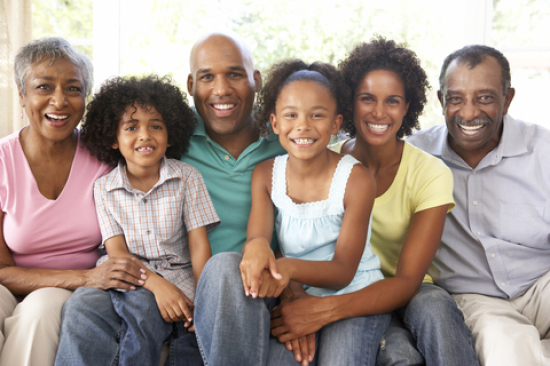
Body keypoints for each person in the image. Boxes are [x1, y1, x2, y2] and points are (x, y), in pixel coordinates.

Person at [269, 38, 479, 366]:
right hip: (335, 286)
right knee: (399, 356)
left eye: (392, 101)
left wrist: (320, 312)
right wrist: (296, 295)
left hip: (405, 292)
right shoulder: (317, 157)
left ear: (407, 106)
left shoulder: (430, 173)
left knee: (436, 307)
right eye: (367, 98)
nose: (379, 112)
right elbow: (286, 230)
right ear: (348, 104)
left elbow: (408, 281)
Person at [195, 60, 391, 366]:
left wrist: (286, 269)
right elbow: (258, 236)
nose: (303, 126)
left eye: (317, 115)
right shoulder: (266, 174)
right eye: (291, 115)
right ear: (274, 124)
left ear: (336, 124)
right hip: (295, 289)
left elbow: (343, 270)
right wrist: (257, 245)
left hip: (353, 293)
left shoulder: (357, 180)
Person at [55, 75, 219, 366]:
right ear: (113, 139)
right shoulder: (103, 188)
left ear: (170, 136)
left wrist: (206, 300)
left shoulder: (188, 178)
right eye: (131, 127)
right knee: (122, 306)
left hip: (180, 276)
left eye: (155, 126)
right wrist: (156, 285)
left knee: (192, 333)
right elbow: (117, 255)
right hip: (127, 277)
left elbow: (198, 245)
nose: (145, 135)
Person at [0, 37, 145, 366]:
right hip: (19, 283)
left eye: (74, 89)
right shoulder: (2, 160)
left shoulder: (106, 159)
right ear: (22, 95)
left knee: (39, 311)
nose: (59, 101)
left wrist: (88, 281)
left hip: (74, 293)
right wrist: (85, 277)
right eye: (44, 87)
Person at [407, 45, 550, 366]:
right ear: (442, 101)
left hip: (542, 284)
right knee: (506, 352)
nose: (469, 113)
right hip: (476, 299)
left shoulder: (544, 150)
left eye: (484, 98)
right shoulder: (413, 156)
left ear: (507, 98)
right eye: (456, 98)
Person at [181, 30, 286, 255]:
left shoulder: (288, 136)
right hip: (190, 282)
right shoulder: (169, 137)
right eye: (207, 77)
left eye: (235, 75)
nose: (221, 90)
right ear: (191, 85)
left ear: (256, 81)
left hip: (268, 279)